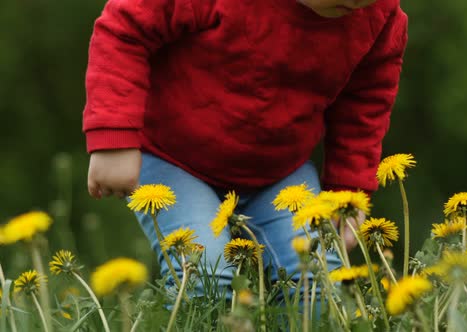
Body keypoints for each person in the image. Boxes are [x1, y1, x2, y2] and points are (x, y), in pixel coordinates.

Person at [83, 0, 408, 298]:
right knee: (205, 273)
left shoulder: (379, 17)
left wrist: (350, 189)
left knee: (317, 278)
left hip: (279, 171)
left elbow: (365, 102)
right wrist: (114, 137)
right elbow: (124, 30)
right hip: (174, 158)